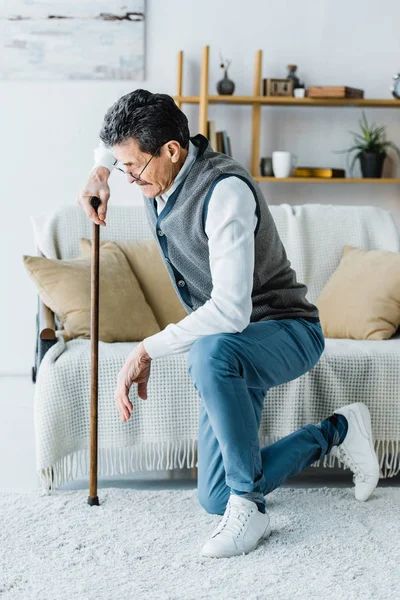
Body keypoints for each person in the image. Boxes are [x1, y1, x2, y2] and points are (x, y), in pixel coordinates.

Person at [77, 89, 380, 559]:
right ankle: (339, 431)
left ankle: (252, 509)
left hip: (285, 331)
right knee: (216, 496)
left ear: (172, 150)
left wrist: (144, 349)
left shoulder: (224, 192)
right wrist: (101, 171)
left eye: (132, 168)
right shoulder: (156, 165)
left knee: (210, 351)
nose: (130, 179)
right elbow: (118, 148)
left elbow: (231, 312)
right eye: (123, 168)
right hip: (233, 347)